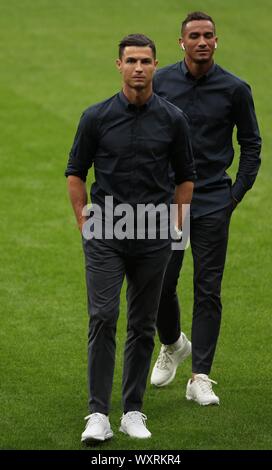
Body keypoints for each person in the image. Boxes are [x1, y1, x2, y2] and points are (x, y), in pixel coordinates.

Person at [65, 34, 195, 442]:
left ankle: (133, 411)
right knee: (103, 317)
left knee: (142, 324)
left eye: (146, 61)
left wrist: (176, 226)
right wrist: (84, 222)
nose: (139, 68)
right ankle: (98, 415)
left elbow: (186, 178)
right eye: (131, 61)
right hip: (106, 232)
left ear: (156, 65)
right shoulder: (96, 117)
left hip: (153, 234)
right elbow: (75, 172)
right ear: (119, 65)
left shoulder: (173, 119)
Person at [150, 11, 262, 405]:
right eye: (194, 35)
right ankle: (173, 343)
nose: (202, 41)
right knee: (162, 284)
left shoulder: (235, 89)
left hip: (215, 200)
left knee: (208, 288)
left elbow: (252, 145)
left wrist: (235, 195)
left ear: (217, 41)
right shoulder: (159, 82)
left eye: (208, 35)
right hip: (169, 200)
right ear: (181, 42)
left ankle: (201, 376)